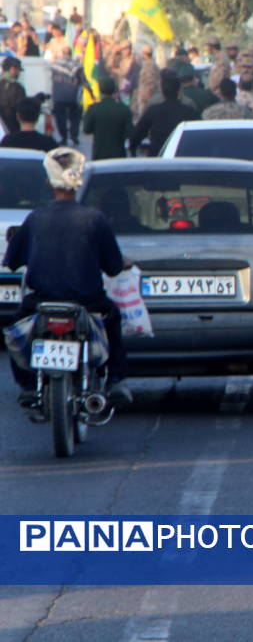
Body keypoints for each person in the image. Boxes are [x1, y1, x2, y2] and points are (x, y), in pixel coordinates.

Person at [4, 148, 131, 409]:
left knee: (15, 327)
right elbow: (114, 267)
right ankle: (115, 380)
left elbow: (12, 260)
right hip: (88, 301)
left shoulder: (36, 218)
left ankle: (28, 386)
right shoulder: (95, 219)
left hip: (42, 301)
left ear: (50, 182)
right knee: (114, 318)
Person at [129, 69, 199, 156]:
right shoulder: (189, 110)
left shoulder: (153, 109)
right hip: (183, 157)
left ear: (162, 90)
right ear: (178, 90)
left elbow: (137, 134)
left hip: (158, 158)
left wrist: (133, 148)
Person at [82, 77, 132, 159]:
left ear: (100, 90)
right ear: (114, 90)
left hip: (99, 153)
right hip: (119, 153)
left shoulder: (93, 108)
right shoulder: (124, 109)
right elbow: (129, 132)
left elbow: (86, 129)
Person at [132, 43, 159, 121]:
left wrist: (148, 93)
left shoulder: (149, 64)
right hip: (145, 94)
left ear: (145, 54)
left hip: (147, 95)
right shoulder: (149, 64)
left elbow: (150, 80)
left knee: (145, 116)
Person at [0, 55, 26, 135]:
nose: (19, 74)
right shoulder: (17, 88)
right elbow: (23, 111)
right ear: (13, 69)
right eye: (18, 70)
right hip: (14, 130)